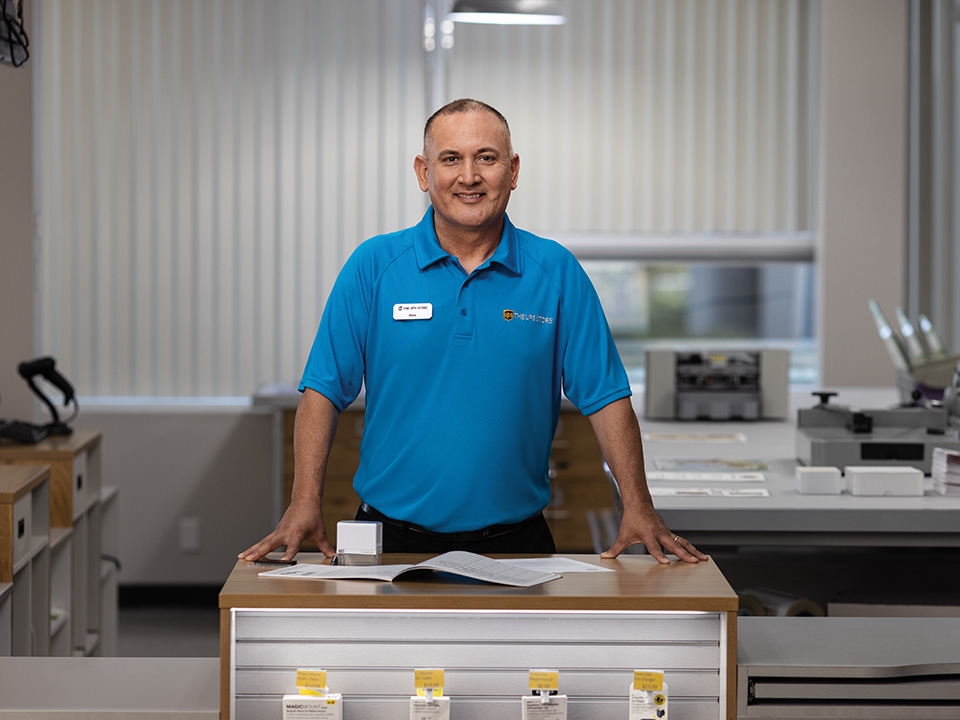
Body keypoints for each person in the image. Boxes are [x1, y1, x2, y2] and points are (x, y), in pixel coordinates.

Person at [240, 98, 706, 564]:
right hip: (389, 544)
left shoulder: (556, 272)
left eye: (486, 157)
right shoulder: (374, 266)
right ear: (424, 173)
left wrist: (639, 506)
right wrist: (303, 502)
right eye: (450, 159)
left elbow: (606, 399)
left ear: (513, 170)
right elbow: (322, 391)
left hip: (518, 547)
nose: (469, 176)